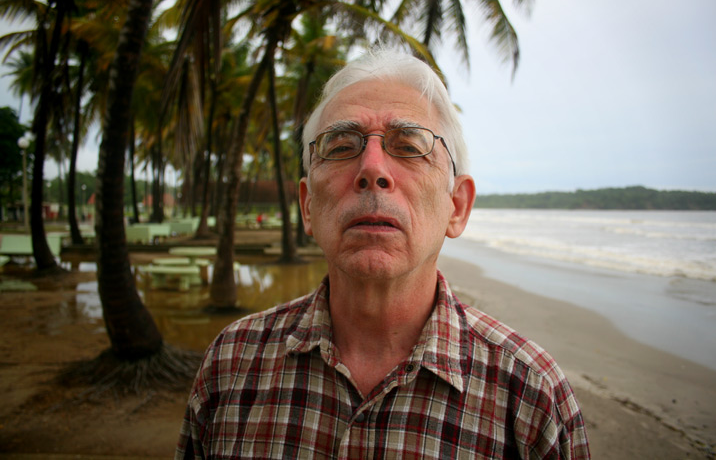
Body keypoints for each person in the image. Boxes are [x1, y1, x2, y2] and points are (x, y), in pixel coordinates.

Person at [176, 50, 590, 459]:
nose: (372, 169)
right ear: (307, 207)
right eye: (340, 147)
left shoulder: (531, 395)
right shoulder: (231, 363)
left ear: (457, 207)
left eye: (409, 146)